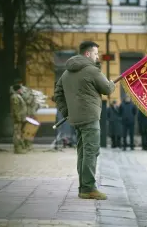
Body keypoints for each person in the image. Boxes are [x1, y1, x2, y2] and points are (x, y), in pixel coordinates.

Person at [54, 41, 115, 200]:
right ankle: (88, 188)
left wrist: (66, 112)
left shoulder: (66, 73)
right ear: (87, 54)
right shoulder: (91, 70)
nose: (97, 57)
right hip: (90, 117)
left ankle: (84, 187)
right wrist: (113, 83)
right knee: (91, 151)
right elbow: (107, 89)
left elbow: (58, 94)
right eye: (95, 54)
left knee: (82, 152)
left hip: (76, 119)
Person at [10, 84, 28, 154]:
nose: (22, 90)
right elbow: (16, 109)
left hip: (20, 118)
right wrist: (18, 118)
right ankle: (17, 149)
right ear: (18, 89)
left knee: (18, 133)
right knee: (17, 133)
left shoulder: (18, 96)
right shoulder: (15, 97)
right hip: (18, 119)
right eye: (21, 89)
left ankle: (19, 148)